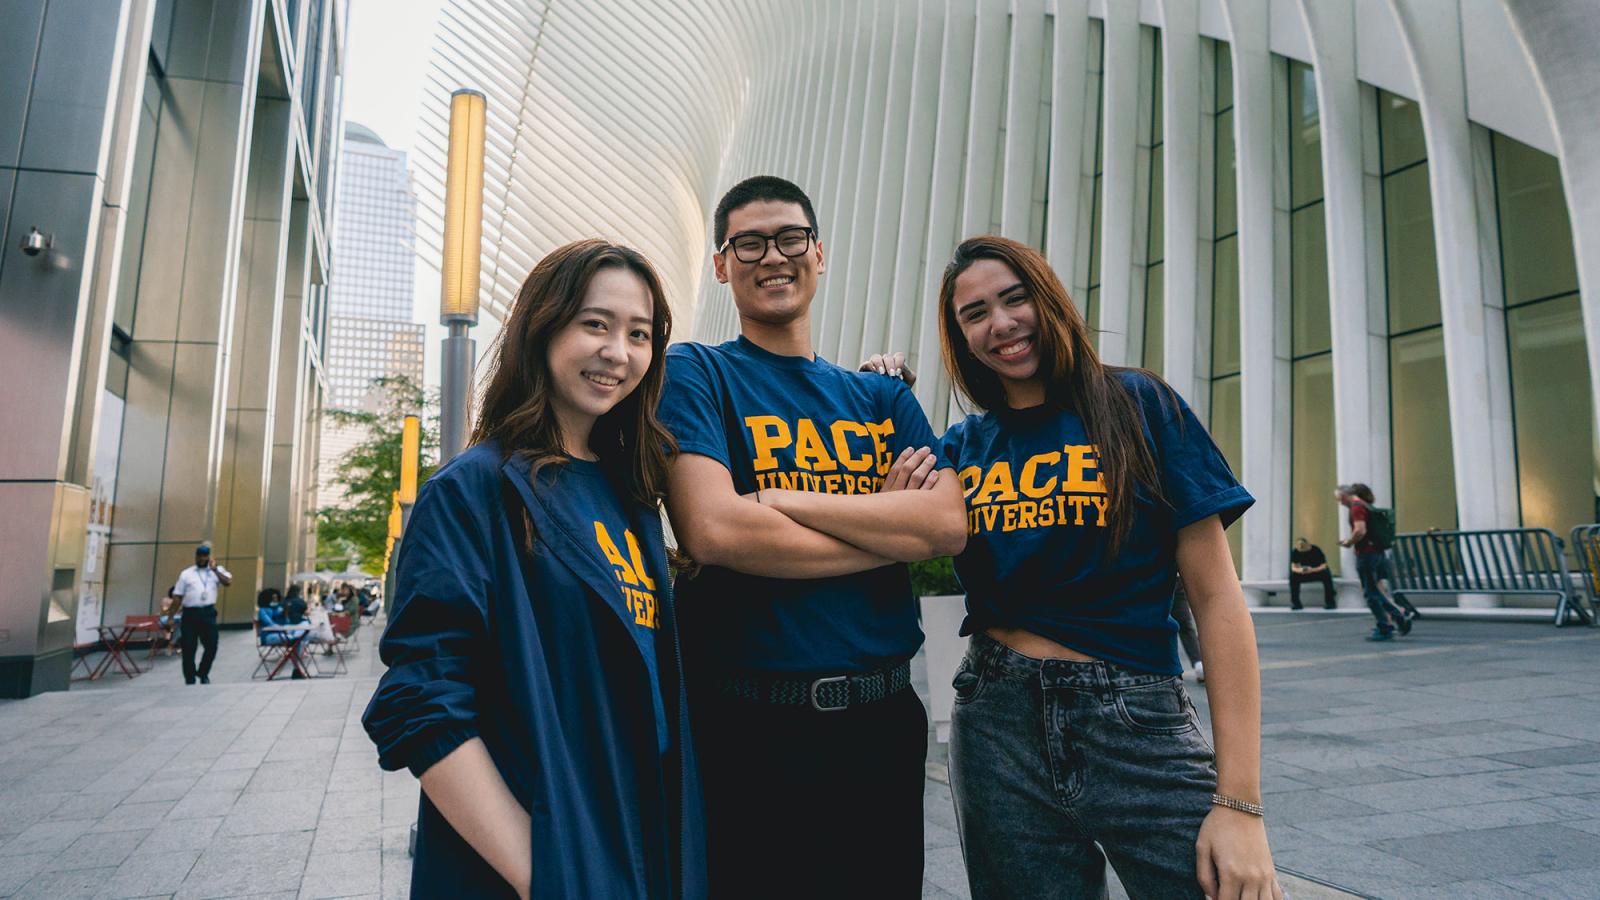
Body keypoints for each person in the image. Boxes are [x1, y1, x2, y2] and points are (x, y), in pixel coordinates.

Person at [865, 235, 1279, 899]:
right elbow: (894, 536)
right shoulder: (963, 447)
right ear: (960, 336)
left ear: (1047, 299)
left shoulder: (1140, 404)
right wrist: (880, 401)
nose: (999, 323)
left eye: (1013, 298)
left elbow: (1216, 598)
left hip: (1135, 717)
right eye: (974, 314)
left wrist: (1241, 803)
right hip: (995, 723)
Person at [362, 240, 705, 899]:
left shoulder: (631, 496)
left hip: (637, 845)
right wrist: (543, 874)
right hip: (544, 856)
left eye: (639, 334)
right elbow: (422, 702)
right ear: (542, 327)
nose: (619, 352)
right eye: (595, 324)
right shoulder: (473, 491)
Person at [658, 176, 967, 897]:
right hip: (746, 728)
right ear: (721, 264)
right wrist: (890, 529)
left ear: (819, 255)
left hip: (881, 725)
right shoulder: (695, 374)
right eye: (750, 242)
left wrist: (780, 500)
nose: (774, 256)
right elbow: (716, 531)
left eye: (791, 238)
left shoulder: (880, 396)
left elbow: (947, 523)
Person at [1336, 483, 1413, 641]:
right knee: (1376, 589)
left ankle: (1394, 618)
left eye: (1339, 498)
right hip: (1377, 552)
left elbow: (1360, 530)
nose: (1339, 502)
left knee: (1371, 593)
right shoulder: (1366, 505)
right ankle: (1389, 622)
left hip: (1366, 554)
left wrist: (1349, 542)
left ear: (1344, 495)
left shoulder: (1356, 508)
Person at [169, 544, 231, 685]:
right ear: (196, 556)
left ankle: (203, 673)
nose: (202, 559)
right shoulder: (187, 574)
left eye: (205, 556)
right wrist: (171, 616)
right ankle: (190, 677)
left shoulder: (217, 571)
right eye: (199, 556)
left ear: (209, 557)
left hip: (208, 613)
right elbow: (177, 596)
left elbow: (227, 582)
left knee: (212, 646)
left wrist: (215, 570)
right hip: (190, 614)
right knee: (189, 648)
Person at [1289, 537, 1336, 610]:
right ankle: (1296, 603)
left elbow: (1324, 566)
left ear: (1308, 545)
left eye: (1303, 547)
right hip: (1304, 572)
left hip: (1317, 571)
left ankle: (1330, 602)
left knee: (1326, 574)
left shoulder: (1316, 550)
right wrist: (1301, 570)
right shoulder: (1295, 551)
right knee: (1293, 577)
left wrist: (1312, 570)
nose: (1302, 549)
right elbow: (1293, 567)